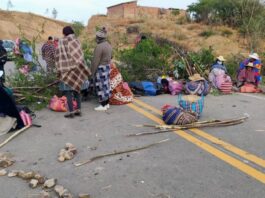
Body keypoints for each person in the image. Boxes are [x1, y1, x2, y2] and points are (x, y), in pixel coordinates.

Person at [55, 26, 91, 118]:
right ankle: (78, 110)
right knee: (77, 90)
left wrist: (60, 66)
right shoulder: (76, 41)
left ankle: (71, 112)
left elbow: (58, 56)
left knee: (68, 92)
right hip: (77, 70)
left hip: (66, 70)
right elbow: (80, 55)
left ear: (64, 33)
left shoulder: (61, 42)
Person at [91, 27, 112, 111]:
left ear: (98, 38)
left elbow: (95, 61)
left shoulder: (99, 47)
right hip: (107, 67)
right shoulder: (108, 45)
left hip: (101, 68)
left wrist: (92, 72)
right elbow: (111, 57)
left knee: (101, 87)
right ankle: (106, 104)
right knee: (106, 86)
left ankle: (102, 105)